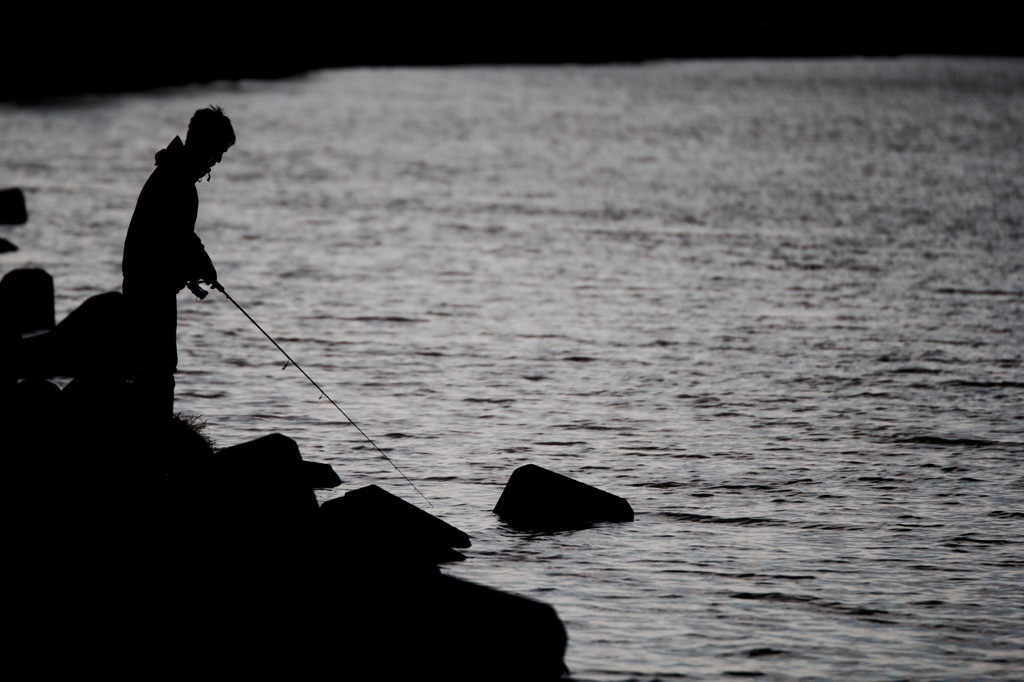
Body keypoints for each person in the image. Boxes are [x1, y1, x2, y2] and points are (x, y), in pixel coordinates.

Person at [122, 105, 235, 422]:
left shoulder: (172, 173)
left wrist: (201, 265)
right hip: (150, 286)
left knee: (147, 361)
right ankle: (152, 434)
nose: (219, 161)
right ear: (207, 145)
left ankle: (145, 429)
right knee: (159, 363)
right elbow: (177, 239)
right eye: (219, 152)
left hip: (144, 281)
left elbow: (180, 237)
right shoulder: (178, 182)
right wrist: (201, 267)